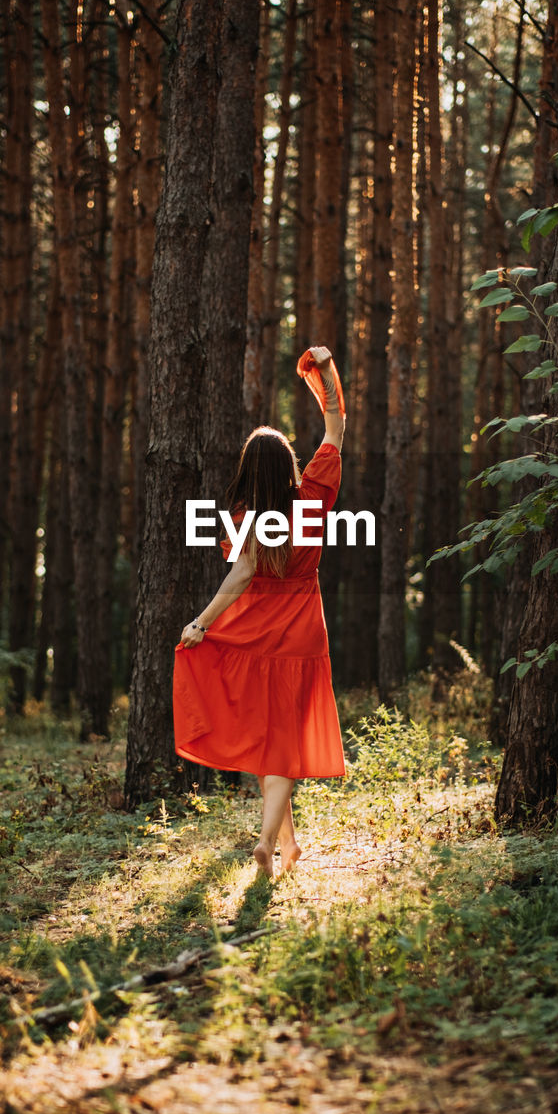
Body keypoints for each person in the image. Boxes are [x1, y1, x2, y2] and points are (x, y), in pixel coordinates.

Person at [173, 345, 346, 878]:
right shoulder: (314, 493)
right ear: (289, 464)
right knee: (285, 745)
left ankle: (283, 846)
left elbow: (241, 575)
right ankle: (271, 844)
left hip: (257, 638)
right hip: (302, 637)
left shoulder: (247, 517)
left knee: (276, 744)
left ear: (251, 469)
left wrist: (202, 625)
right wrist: (325, 369)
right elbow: (336, 424)